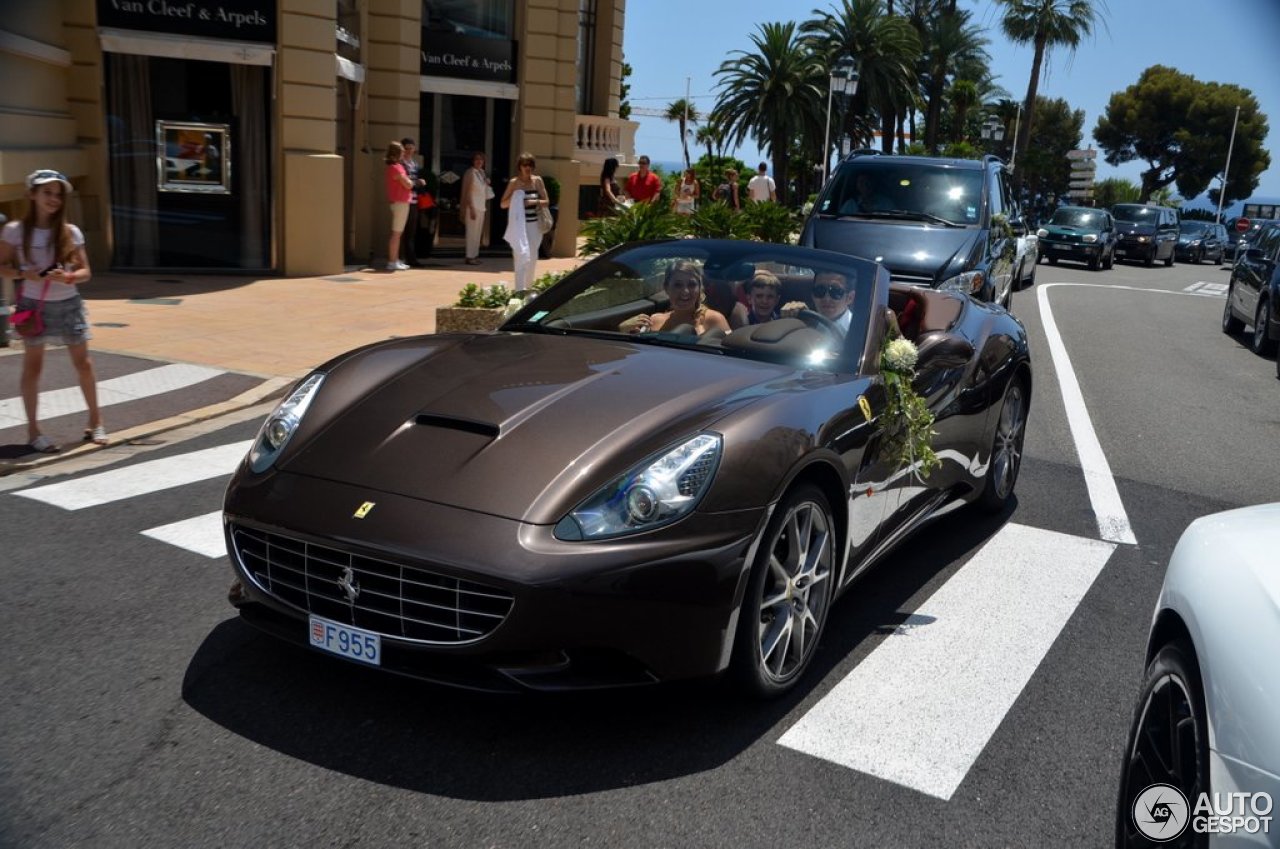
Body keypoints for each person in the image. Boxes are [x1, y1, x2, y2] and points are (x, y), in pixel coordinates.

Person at [0, 169, 106, 453]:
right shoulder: (14, 230)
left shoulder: (70, 232)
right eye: (47, 192)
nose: (53, 199)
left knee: (83, 364)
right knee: (33, 367)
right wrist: (24, 272)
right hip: (33, 306)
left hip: (69, 303)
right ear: (31, 194)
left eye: (58, 194)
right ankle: (34, 431)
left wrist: (69, 277)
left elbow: (86, 271)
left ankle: (95, 421)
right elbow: (2, 266)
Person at [619, 261, 730, 336]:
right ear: (666, 288)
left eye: (691, 285)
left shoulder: (714, 319)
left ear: (700, 288)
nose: (685, 291)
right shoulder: (654, 321)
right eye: (678, 285)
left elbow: (732, 358)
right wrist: (623, 330)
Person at [500, 151, 549, 292]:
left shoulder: (537, 181)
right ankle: (519, 291)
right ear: (519, 166)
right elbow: (502, 204)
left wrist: (533, 201)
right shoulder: (514, 183)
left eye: (530, 165)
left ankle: (528, 288)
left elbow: (547, 201)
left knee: (532, 257)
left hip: (534, 226)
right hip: (518, 227)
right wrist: (517, 198)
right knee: (520, 256)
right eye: (524, 165)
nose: (527, 168)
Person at [784, 270, 855, 336]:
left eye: (836, 291)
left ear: (850, 298)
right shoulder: (806, 322)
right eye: (820, 290)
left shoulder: (859, 331)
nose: (826, 298)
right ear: (812, 295)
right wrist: (791, 319)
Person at [383, 140, 413, 271]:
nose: (403, 153)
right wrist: (410, 181)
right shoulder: (396, 167)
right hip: (400, 202)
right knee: (396, 233)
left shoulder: (394, 167)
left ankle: (395, 259)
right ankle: (392, 261)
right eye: (401, 151)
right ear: (397, 153)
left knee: (397, 233)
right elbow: (408, 184)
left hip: (400, 202)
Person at [399, 138, 427, 267]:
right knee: (401, 230)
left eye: (411, 148)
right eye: (407, 148)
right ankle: (403, 258)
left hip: (415, 200)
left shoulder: (414, 164)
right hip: (404, 200)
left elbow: (413, 182)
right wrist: (418, 182)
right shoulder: (400, 164)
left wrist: (419, 184)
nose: (409, 151)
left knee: (411, 231)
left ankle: (410, 258)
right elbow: (406, 183)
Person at [460, 150, 491, 265]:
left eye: (481, 159)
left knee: (478, 234)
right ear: (473, 161)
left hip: (481, 206)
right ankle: (469, 256)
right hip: (472, 207)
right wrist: (471, 208)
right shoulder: (470, 173)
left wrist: (487, 183)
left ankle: (474, 255)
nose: (479, 161)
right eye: (477, 159)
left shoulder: (482, 173)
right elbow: (467, 192)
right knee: (471, 233)